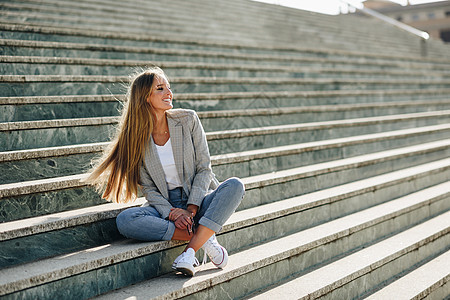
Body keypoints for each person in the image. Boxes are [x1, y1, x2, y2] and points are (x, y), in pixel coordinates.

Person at [85, 67, 245, 276]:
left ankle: (189, 252)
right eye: (160, 89)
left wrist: (191, 210)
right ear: (145, 98)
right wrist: (171, 212)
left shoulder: (188, 120)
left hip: (198, 200)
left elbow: (204, 169)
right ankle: (203, 237)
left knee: (235, 186)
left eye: (169, 87)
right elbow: (148, 188)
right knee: (125, 220)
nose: (169, 93)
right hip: (165, 205)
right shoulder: (135, 139)